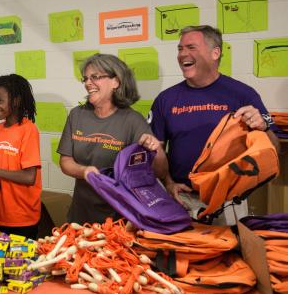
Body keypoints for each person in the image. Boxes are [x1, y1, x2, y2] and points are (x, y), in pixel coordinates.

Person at [150, 25, 280, 223]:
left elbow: (274, 149)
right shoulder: (165, 99)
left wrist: (264, 127)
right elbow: (154, 151)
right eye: (180, 48)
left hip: (229, 200)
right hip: (181, 200)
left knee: (231, 253)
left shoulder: (242, 94)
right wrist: (168, 183)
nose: (182, 54)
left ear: (215, 52)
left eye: (191, 47)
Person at [57, 53, 168, 225]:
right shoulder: (77, 115)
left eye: (95, 77)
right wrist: (84, 171)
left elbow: (159, 172)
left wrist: (156, 149)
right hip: (80, 215)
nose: (87, 83)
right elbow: (65, 161)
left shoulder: (133, 120)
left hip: (119, 219)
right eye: (85, 78)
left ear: (116, 82)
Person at [0, 74, 42, 240]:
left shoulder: (29, 130)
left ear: (17, 101)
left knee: (19, 265)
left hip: (21, 218)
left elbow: (29, 177)